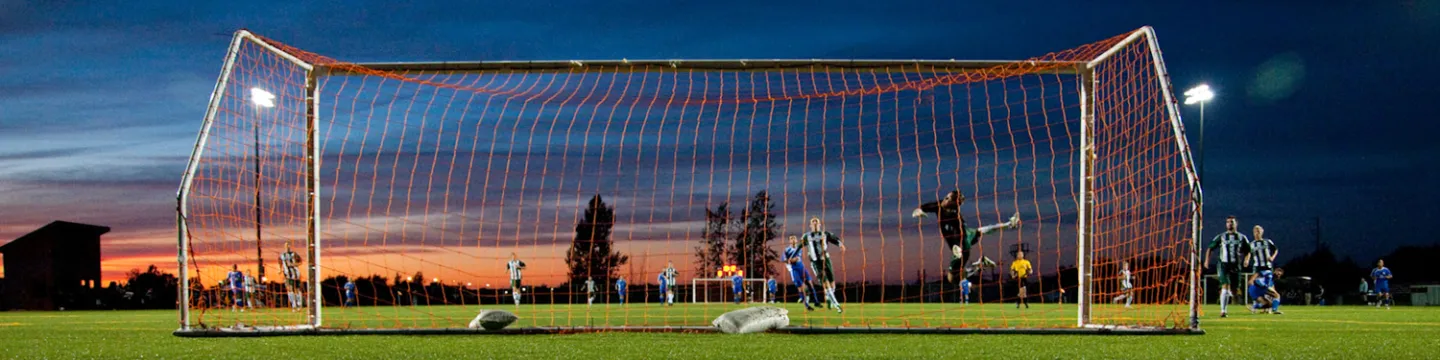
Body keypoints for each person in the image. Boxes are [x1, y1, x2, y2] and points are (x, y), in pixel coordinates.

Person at [912, 190, 1020, 289]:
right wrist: (919, 211)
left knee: (952, 278)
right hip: (967, 234)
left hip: (962, 245)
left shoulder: (955, 217)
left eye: (948, 199)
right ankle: (1009, 224)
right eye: (946, 197)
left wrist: (957, 248)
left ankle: (978, 266)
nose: (945, 200)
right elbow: (920, 208)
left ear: (954, 204)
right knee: (980, 231)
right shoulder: (939, 205)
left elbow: (958, 235)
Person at [1202, 216, 1250, 318]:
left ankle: (1229, 295)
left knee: (1234, 290)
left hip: (1236, 266)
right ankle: (1223, 311)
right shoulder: (1221, 236)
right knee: (1225, 285)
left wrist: (1246, 259)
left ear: (1236, 224)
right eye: (1228, 222)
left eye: (1231, 222)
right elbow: (1210, 248)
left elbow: (1248, 251)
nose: (1229, 224)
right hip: (1223, 265)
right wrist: (1206, 260)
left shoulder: (1242, 237)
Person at [798, 217, 847, 313]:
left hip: (826, 260)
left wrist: (841, 245)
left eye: (817, 223)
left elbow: (835, 239)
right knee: (825, 282)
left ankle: (829, 298)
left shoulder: (825, 234)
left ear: (820, 224)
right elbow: (800, 246)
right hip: (815, 262)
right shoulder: (806, 236)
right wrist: (793, 254)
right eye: (813, 223)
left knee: (832, 284)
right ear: (810, 225)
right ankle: (837, 305)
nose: (815, 224)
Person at [783, 235, 818, 311]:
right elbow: (784, 260)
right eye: (791, 238)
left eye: (794, 238)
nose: (793, 239)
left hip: (802, 268)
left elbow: (797, 258)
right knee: (801, 288)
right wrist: (789, 260)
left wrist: (792, 259)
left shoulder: (799, 249)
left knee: (810, 284)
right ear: (789, 241)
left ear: (796, 240)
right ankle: (807, 305)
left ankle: (816, 301)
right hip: (794, 270)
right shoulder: (787, 250)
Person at [279, 243, 304, 310]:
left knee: (297, 289)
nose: (287, 247)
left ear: (290, 247)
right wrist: (280, 270)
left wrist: (293, 264)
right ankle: (294, 305)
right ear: (284, 247)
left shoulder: (294, 254)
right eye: (286, 246)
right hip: (287, 275)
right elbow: (280, 263)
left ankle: (299, 304)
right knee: (289, 289)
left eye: (288, 246)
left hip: (295, 274)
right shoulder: (282, 255)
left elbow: (301, 262)